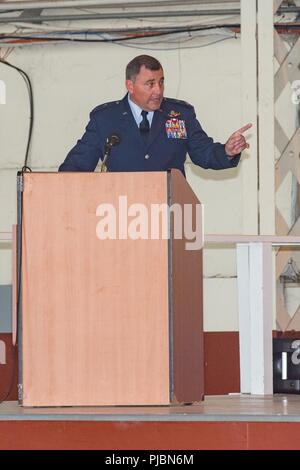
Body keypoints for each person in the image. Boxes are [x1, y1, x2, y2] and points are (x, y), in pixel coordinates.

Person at [59, 55, 251, 175]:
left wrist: (227, 150)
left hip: (169, 211)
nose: (158, 90)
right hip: (118, 214)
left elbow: (204, 153)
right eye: (150, 84)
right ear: (130, 85)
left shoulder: (181, 115)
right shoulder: (105, 119)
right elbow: (75, 167)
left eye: (161, 82)